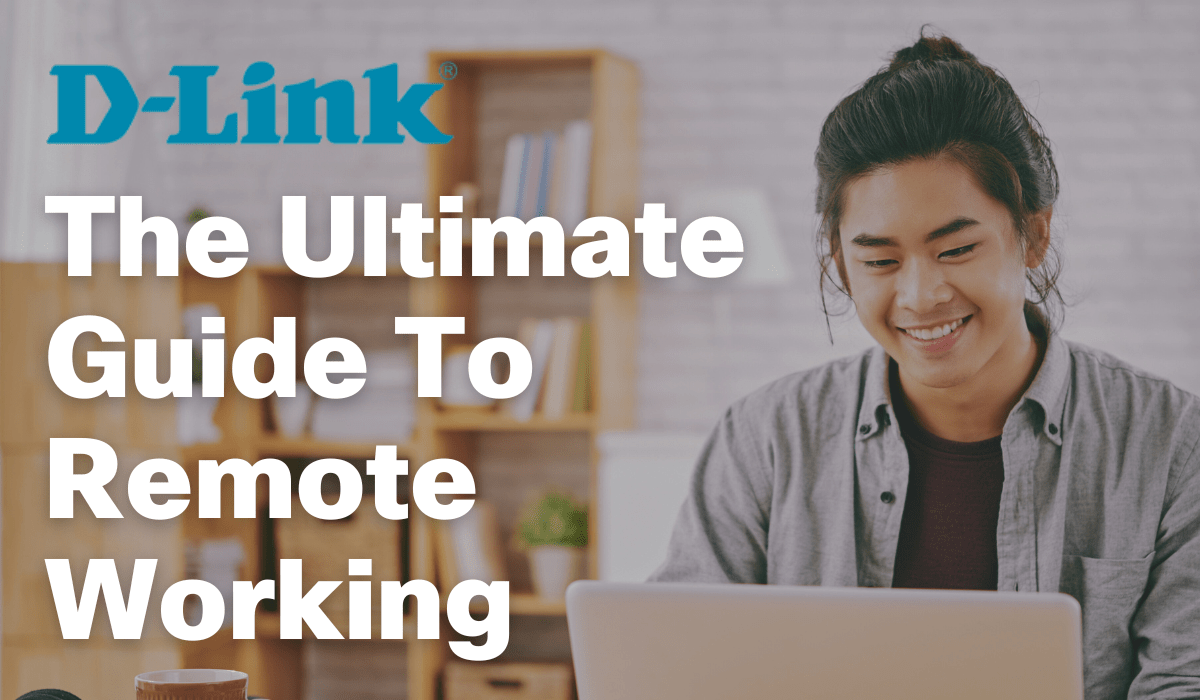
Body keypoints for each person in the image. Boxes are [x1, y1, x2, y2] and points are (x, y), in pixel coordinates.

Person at [650, 32, 1200, 700]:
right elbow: (675, 669)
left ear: (1034, 233)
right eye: (880, 261)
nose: (918, 296)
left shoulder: (1171, 443)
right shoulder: (764, 438)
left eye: (957, 249)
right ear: (837, 262)